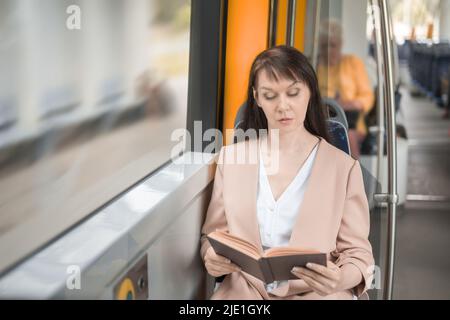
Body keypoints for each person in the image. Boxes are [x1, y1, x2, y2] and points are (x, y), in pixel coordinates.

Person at [200, 45, 374, 300]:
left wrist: (339, 278)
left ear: (310, 92)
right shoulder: (232, 159)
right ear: (257, 98)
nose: (283, 106)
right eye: (270, 96)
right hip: (246, 290)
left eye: (293, 93)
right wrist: (210, 256)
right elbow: (212, 235)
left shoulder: (343, 168)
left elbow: (359, 254)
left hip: (316, 292)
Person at [317, 19, 375, 159]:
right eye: (324, 46)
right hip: (320, 118)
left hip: (351, 121)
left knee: (345, 132)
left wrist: (351, 104)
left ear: (341, 44)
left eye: (333, 45)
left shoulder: (353, 63)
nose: (328, 50)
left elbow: (367, 96)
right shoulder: (315, 64)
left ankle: (352, 174)